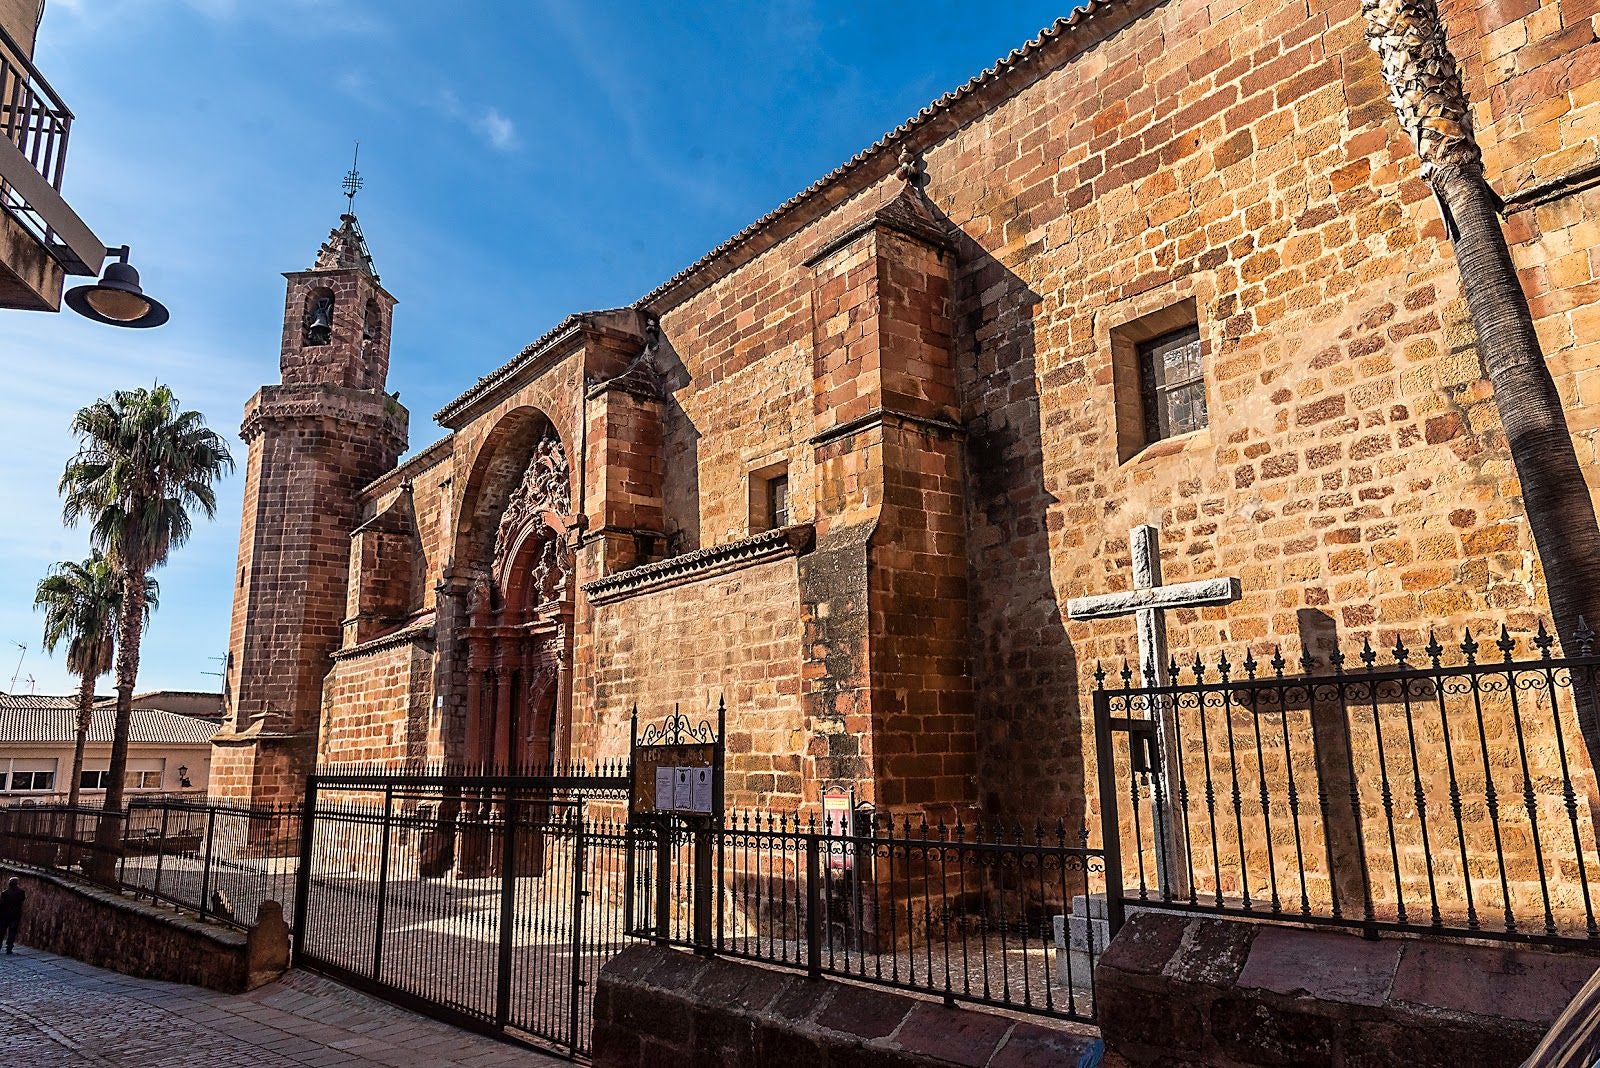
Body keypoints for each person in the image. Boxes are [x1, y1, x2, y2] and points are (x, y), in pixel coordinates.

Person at [0, 877, 22, 954]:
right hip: (15, 915)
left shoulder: (4, 893)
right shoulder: (21, 892)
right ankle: (9, 948)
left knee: (1, 932)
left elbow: (1, 904)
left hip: (4, 915)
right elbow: (21, 901)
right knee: (12, 932)